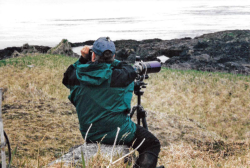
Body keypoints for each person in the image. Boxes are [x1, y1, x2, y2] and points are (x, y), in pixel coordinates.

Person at [62, 37, 164, 168]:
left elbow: (66, 78)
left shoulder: (76, 75)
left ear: (93, 55)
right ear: (113, 56)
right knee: (152, 143)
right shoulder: (120, 76)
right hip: (117, 132)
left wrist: (83, 59)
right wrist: (110, 60)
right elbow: (130, 70)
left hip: (89, 133)